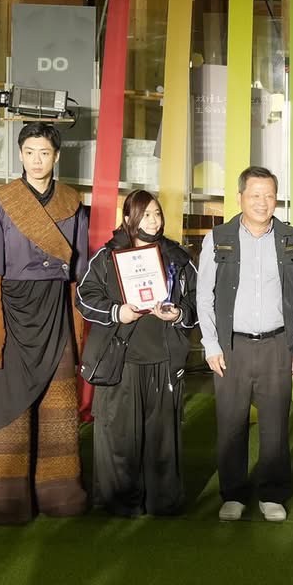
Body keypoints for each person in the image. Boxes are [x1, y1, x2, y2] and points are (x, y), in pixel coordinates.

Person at [0, 122, 89, 524]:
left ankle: (60, 492)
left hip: (56, 309)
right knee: (11, 408)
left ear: (57, 156)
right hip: (11, 310)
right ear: (20, 155)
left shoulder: (72, 201)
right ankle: (3, 498)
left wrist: (77, 329)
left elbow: (78, 275)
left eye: (45, 153)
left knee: (58, 404)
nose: (37, 160)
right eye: (30, 152)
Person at [197, 166, 293, 523]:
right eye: (255, 195)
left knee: (275, 424)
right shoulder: (218, 238)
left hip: (277, 344)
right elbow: (204, 295)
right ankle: (233, 494)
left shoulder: (290, 238)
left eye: (269, 196)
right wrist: (211, 344)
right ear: (240, 198)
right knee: (231, 424)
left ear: (276, 199)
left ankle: (272, 494)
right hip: (232, 347)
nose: (262, 203)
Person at [76, 190, 198, 517]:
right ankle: (119, 501)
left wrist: (179, 314)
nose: (153, 221)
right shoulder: (107, 256)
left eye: (157, 214)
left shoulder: (177, 257)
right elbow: (84, 297)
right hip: (121, 362)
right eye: (146, 215)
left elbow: (198, 302)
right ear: (129, 217)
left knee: (162, 439)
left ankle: (162, 502)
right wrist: (117, 312)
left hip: (163, 360)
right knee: (119, 437)